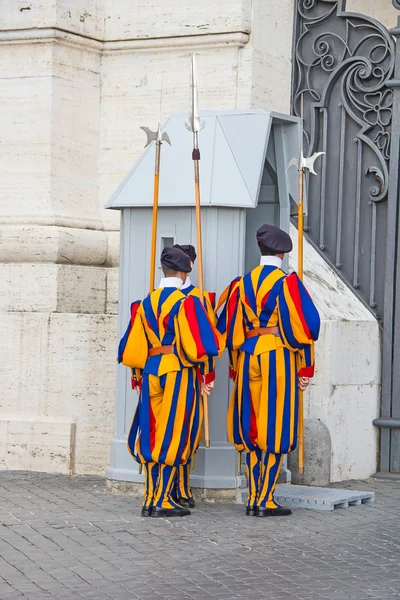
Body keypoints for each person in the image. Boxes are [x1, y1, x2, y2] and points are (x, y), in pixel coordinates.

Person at [217, 224, 320, 517]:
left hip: (248, 356)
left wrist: (236, 364)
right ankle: (265, 499)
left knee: (251, 426)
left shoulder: (240, 283)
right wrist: (307, 368)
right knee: (276, 425)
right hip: (277, 355)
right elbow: (308, 326)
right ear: (282, 252)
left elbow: (226, 326)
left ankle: (253, 498)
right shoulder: (288, 283)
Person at [118, 246, 223, 518]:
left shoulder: (146, 302)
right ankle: (164, 499)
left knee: (152, 431)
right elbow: (203, 344)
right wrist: (205, 373)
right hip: (177, 370)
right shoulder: (187, 302)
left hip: (151, 369)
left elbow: (131, 344)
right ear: (183, 271)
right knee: (173, 433)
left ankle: (150, 498)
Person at [170, 244, 217, 508]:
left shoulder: (200, 298)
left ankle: (182, 484)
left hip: (193, 373)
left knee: (189, 432)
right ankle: (169, 486)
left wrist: (207, 376)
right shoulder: (163, 296)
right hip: (170, 372)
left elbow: (207, 338)